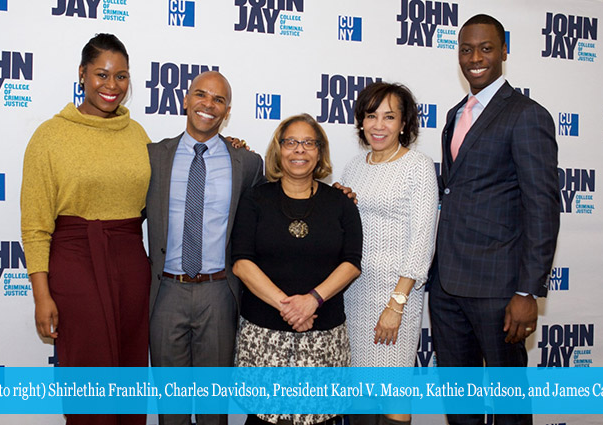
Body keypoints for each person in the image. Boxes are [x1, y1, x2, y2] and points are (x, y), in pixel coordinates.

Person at [429, 14, 560, 425]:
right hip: (447, 285)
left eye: (486, 48)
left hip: (500, 291)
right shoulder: (454, 114)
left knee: (508, 409)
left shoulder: (526, 115)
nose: (475, 58)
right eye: (466, 49)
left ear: (504, 51)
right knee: (461, 407)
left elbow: (542, 207)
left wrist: (527, 292)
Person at [21, 34, 150, 425]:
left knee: (129, 378)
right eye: (102, 74)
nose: (112, 86)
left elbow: (167, 191)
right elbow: (36, 226)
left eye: (121, 76)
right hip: (75, 264)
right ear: (82, 74)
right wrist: (41, 296)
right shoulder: (50, 136)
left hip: (130, 265)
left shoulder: (138, 135)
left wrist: (224, 148)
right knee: (89, 380)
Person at [146, 70, 266, 425]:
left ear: (227, 111)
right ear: (185, 100)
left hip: (219, 294)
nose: (208, 105)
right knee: (172, 409)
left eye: (218, 100)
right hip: (166, 291)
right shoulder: (154, 156)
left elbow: (275, 209)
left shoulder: (246, 162)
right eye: (201, 95)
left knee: (214, 410)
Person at [231, 113, 363, 425]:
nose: (299, 150)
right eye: (291, 142)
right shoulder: (254, 199)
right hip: (264, 336)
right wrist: (289, 307)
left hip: (323, 337)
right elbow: (241, 262)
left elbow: (352, 263)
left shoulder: (341, 203)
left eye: (308, 143)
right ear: (279, 149)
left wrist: (312, 301)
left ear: (320, 152)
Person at [340, 82, 439, 425]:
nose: (378, 125)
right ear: (361, 121)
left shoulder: (419, 166)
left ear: (403, 123)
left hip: (396, 297)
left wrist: (396, 304)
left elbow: (422, 240)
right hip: (354, 297)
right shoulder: (353, 167)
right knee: (360, 398)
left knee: (393, 398)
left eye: (389, 117)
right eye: (371, 116)